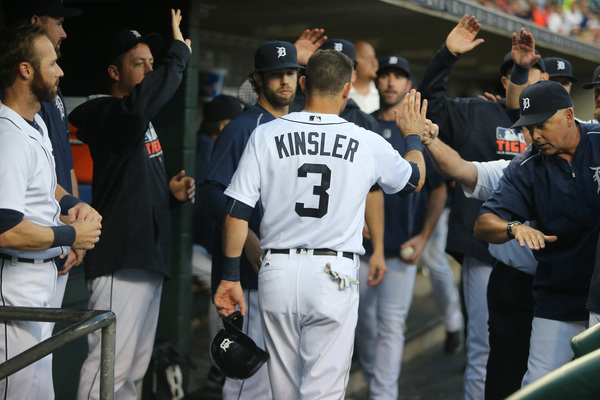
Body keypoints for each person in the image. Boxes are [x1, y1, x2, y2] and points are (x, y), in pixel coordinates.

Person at [213, 48, 427, 399]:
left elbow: (236, 211)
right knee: (322, 392)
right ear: (347, 89)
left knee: (282, 391)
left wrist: (230, 276)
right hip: (333, 273)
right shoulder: (365, 139)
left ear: (302, 84)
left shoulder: (266, 134)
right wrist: (414, 136)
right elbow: (414, 179)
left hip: (277, 271)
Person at [418, 15, 547, 399]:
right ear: (507, 82)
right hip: (486, 249)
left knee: (536, 352)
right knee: (482, 349)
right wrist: (447, 55)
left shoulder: (547, 127)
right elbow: (431, 105)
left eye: (537, 80)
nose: (531, 89)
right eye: (522, 78)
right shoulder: (476, 112)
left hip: (540, 255)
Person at [70, 10, 194, 400]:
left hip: (144, 257)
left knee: (131, 374)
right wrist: (178, 55)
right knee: (107, 370)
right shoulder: (107, 113)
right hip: (119, 260)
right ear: (114, 71)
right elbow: (138, 109)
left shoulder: (135, 117)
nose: (149, 70)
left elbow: (129, 189)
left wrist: (169, 197)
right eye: (139, 64)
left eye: (152, 63)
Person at [474, 79, 600, 387]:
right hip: (559, 296)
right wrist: (513, 227)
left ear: (569, 116)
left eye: (543, 125)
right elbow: (484, 223)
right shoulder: (527, 165)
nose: (536, 135)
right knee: (539, 385)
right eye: (529, 127)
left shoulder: (598, 140)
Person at [0, 23, 101, 400]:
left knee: (39, 390)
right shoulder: (8, 137)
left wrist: (74, 204)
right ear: (25, 70)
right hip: (15, 281)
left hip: (42, 276)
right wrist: (72, 234)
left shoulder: (35, 122)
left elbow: (46, 185)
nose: (60, 71)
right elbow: (5, 229)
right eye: (52, 63)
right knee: (17, 390)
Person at [198, 40, 304, 400]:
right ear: (257, 79)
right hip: (248, 276)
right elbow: (211, 191)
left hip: (286, 273)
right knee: (250, 380)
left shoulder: (297, 125)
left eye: (290, 73)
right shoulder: (242, 127)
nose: (285, 81)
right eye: (276, 75)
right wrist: (247, 239)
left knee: (283, 379)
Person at [354, 54, 448, 399]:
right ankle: (373, 379)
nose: (391, 81)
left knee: (391, 325)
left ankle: (384, 394)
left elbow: (438, 187)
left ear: (408, 85)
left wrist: (424, 237)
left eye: (398, 76)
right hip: (361, 251)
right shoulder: (360, 126)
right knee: (363, 324)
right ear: (376, 81)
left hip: (403, 250)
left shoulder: (416, 132)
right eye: (385, 75)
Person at [193, 94, 244, 392]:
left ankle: (220, 368)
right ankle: (219, 367)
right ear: (224, 126)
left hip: (202, 246)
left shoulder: (208, 145)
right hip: (190, 249)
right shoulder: (205, 148)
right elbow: (205, 208)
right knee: (223, 292)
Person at [349, 40, 380, 113]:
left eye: (374, 56)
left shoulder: (383, 91)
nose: (374, 62)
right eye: (366, 57)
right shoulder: (341, 93)